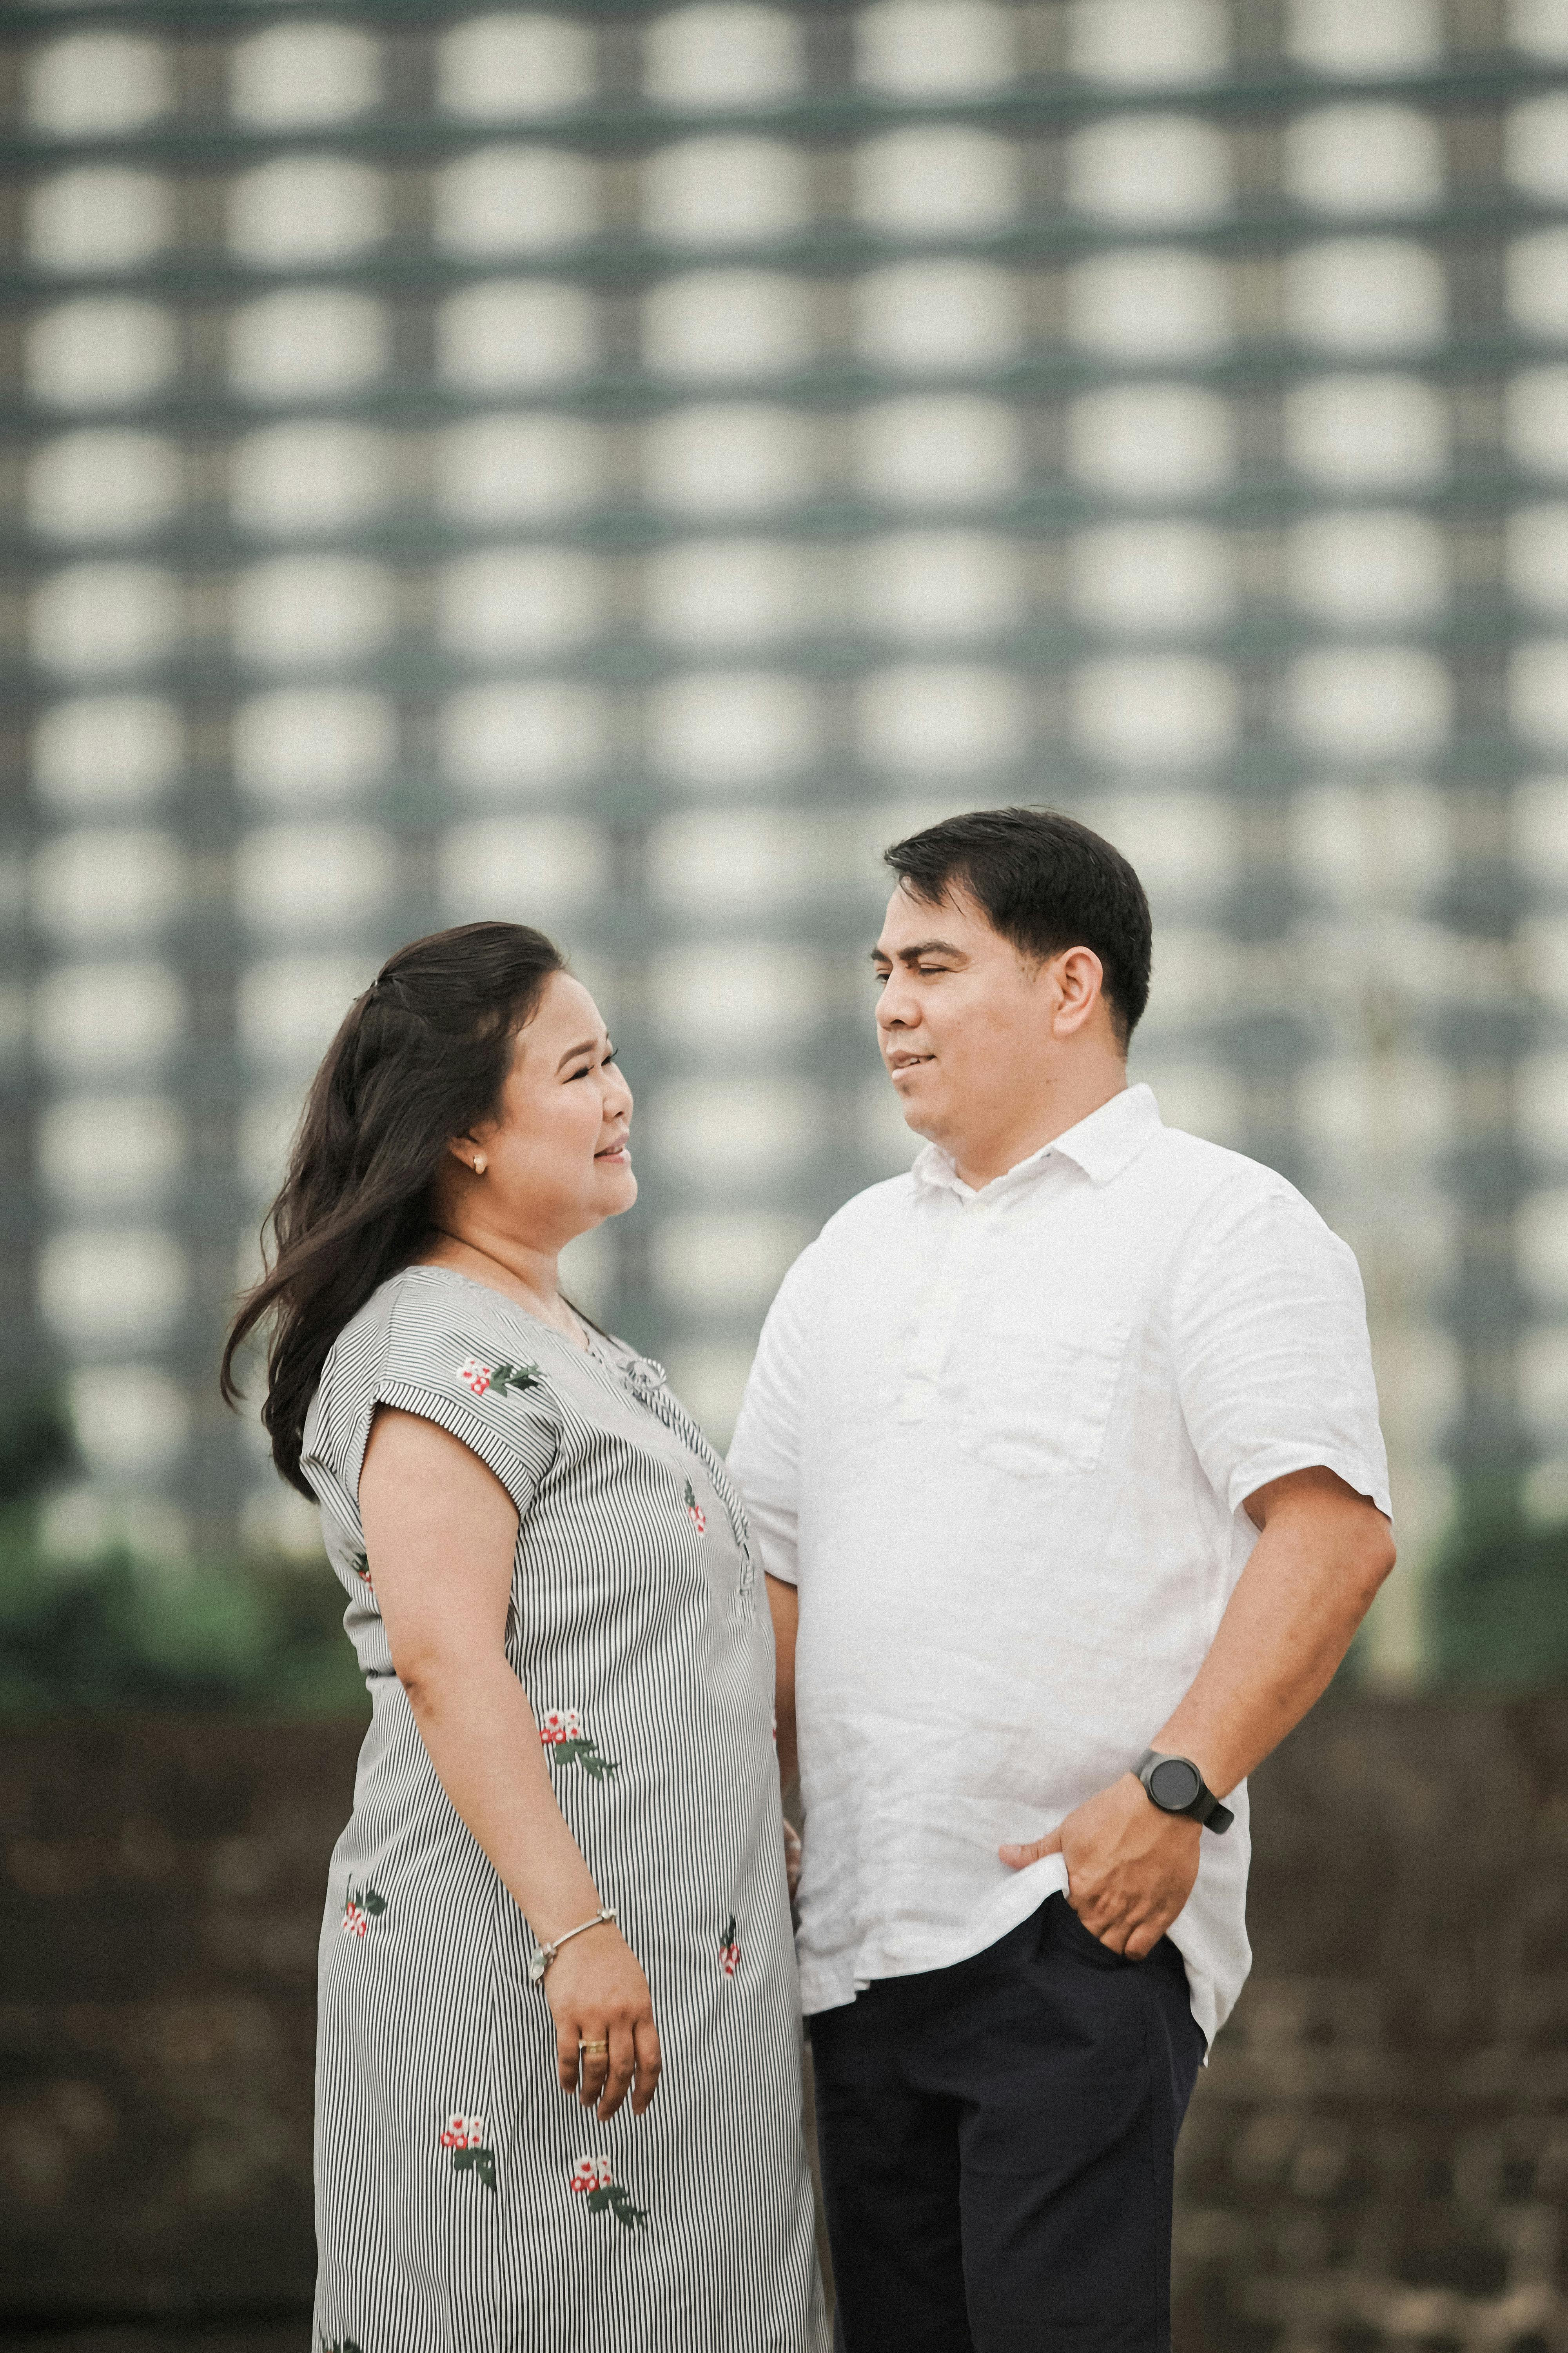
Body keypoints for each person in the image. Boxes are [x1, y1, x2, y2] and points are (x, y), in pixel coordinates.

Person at [727, 808, 1396, 2353]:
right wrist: (742, 1821)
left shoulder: (1221, 1221)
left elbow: (1334, 1534)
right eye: (882, 971)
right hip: (852, 1941)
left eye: (933, 964)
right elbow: (773, 1586)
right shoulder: (842, 1256)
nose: (891, 1006)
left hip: (1071, 1923)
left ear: (1070, 983)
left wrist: (1174, 1790)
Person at [222, 922, 827, 2353]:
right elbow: (447, 1658)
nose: (621, 1095)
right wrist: (575, 1931)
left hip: (679, 1993)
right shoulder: (434, 1343)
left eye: (613, 1062)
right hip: (522, 1978)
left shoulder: (582, 1346)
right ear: (469, 1132)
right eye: (580, 1069)